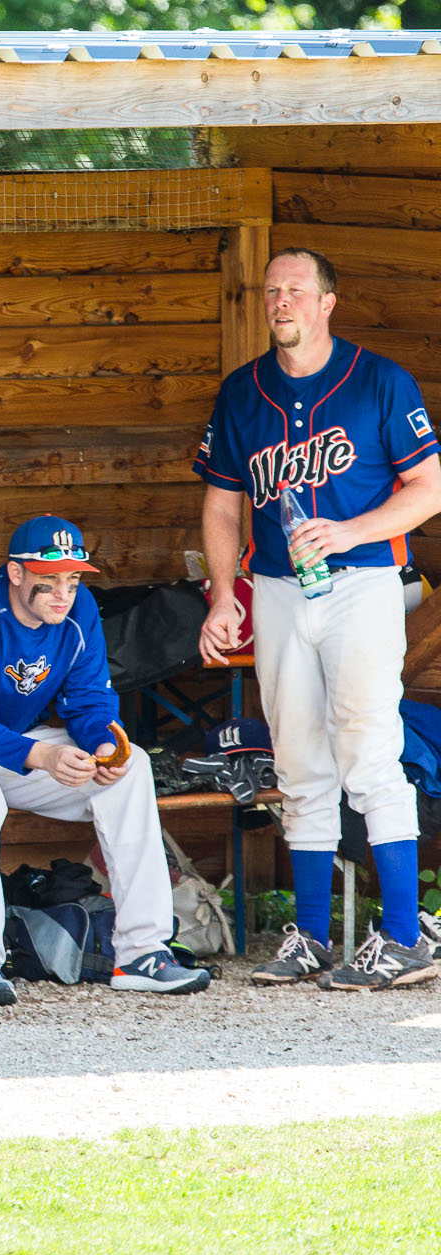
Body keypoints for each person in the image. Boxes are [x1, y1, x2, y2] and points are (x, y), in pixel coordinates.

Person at [198, 246, 441, 991]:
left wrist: (352, 529)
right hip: (274, 588)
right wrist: (220, 594)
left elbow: (428, 488)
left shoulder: (377, 380)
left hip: (362, 583)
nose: (282, 302)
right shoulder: (243, 393)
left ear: (327, 302)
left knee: (368, 750)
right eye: (273, 291)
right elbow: (220, 504)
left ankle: (403, 936)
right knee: (298, 758)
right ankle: (308, 934)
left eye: (297, 290)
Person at [0, 515, 211, 1005]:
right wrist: (43, 754)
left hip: (19, 743)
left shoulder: (79, 611)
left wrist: (103, 746)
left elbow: (89, 701)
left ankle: (143, 951)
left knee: (133, 766)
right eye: (48, 579)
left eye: (72, 579)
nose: (63, 593)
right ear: (16, 573)